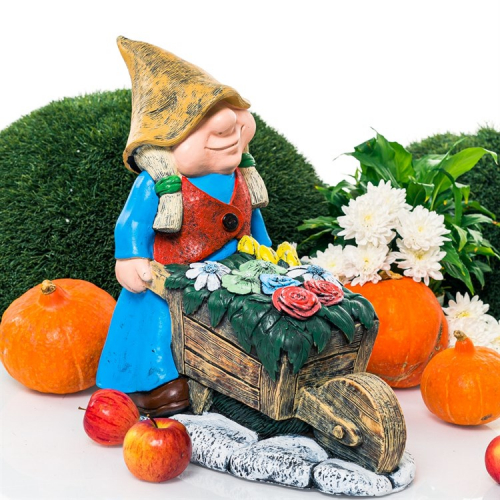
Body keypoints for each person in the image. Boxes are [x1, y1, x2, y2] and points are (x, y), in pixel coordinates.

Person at [96, 37, 271, 417]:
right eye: (198, 123)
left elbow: (251, 221)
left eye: (228, 111)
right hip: (172, 274)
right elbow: (132, 221)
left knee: (242, 321)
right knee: (158, 319)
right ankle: (152, 381)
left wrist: (269, 255)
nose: (227, 125)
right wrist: (130, 256)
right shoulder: (158, 184)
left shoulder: (241, 176)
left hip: (235, 273)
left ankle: (239, 376)